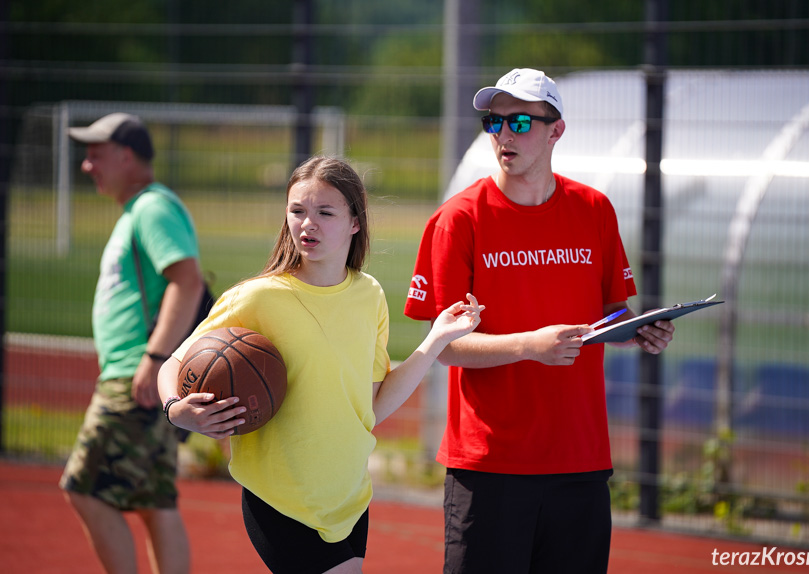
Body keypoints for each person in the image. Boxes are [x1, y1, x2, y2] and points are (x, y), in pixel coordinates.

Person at [404, 68, 676, 573]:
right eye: (494, 121)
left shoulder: (594, 209)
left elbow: (610, 313)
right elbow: (442, 346)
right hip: (490, 465)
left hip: (581, 461)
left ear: (556, 130)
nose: (505, 134)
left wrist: (638, 330)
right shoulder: (458, 219)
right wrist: (530, 344)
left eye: (521, 121)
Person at [157, 156, 484, 574]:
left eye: (324, 213)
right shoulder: (257, 298)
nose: (307, 224)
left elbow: (372, 407)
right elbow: (176, 361)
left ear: (355, 222)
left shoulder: (370, 296)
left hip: (348, 498)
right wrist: (176, 409)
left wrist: (436, 339)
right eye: (297, 211)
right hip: (281, 497)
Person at [60, 113, 207, 573]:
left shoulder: (151, 208)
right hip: (143, 374)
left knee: (83, 489)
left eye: (95, 155)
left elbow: (188, 281)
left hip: (137, 376)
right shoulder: (141, 209)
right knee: (154, 502)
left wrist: (153, 358)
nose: (87, 166)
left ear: (127, 155)